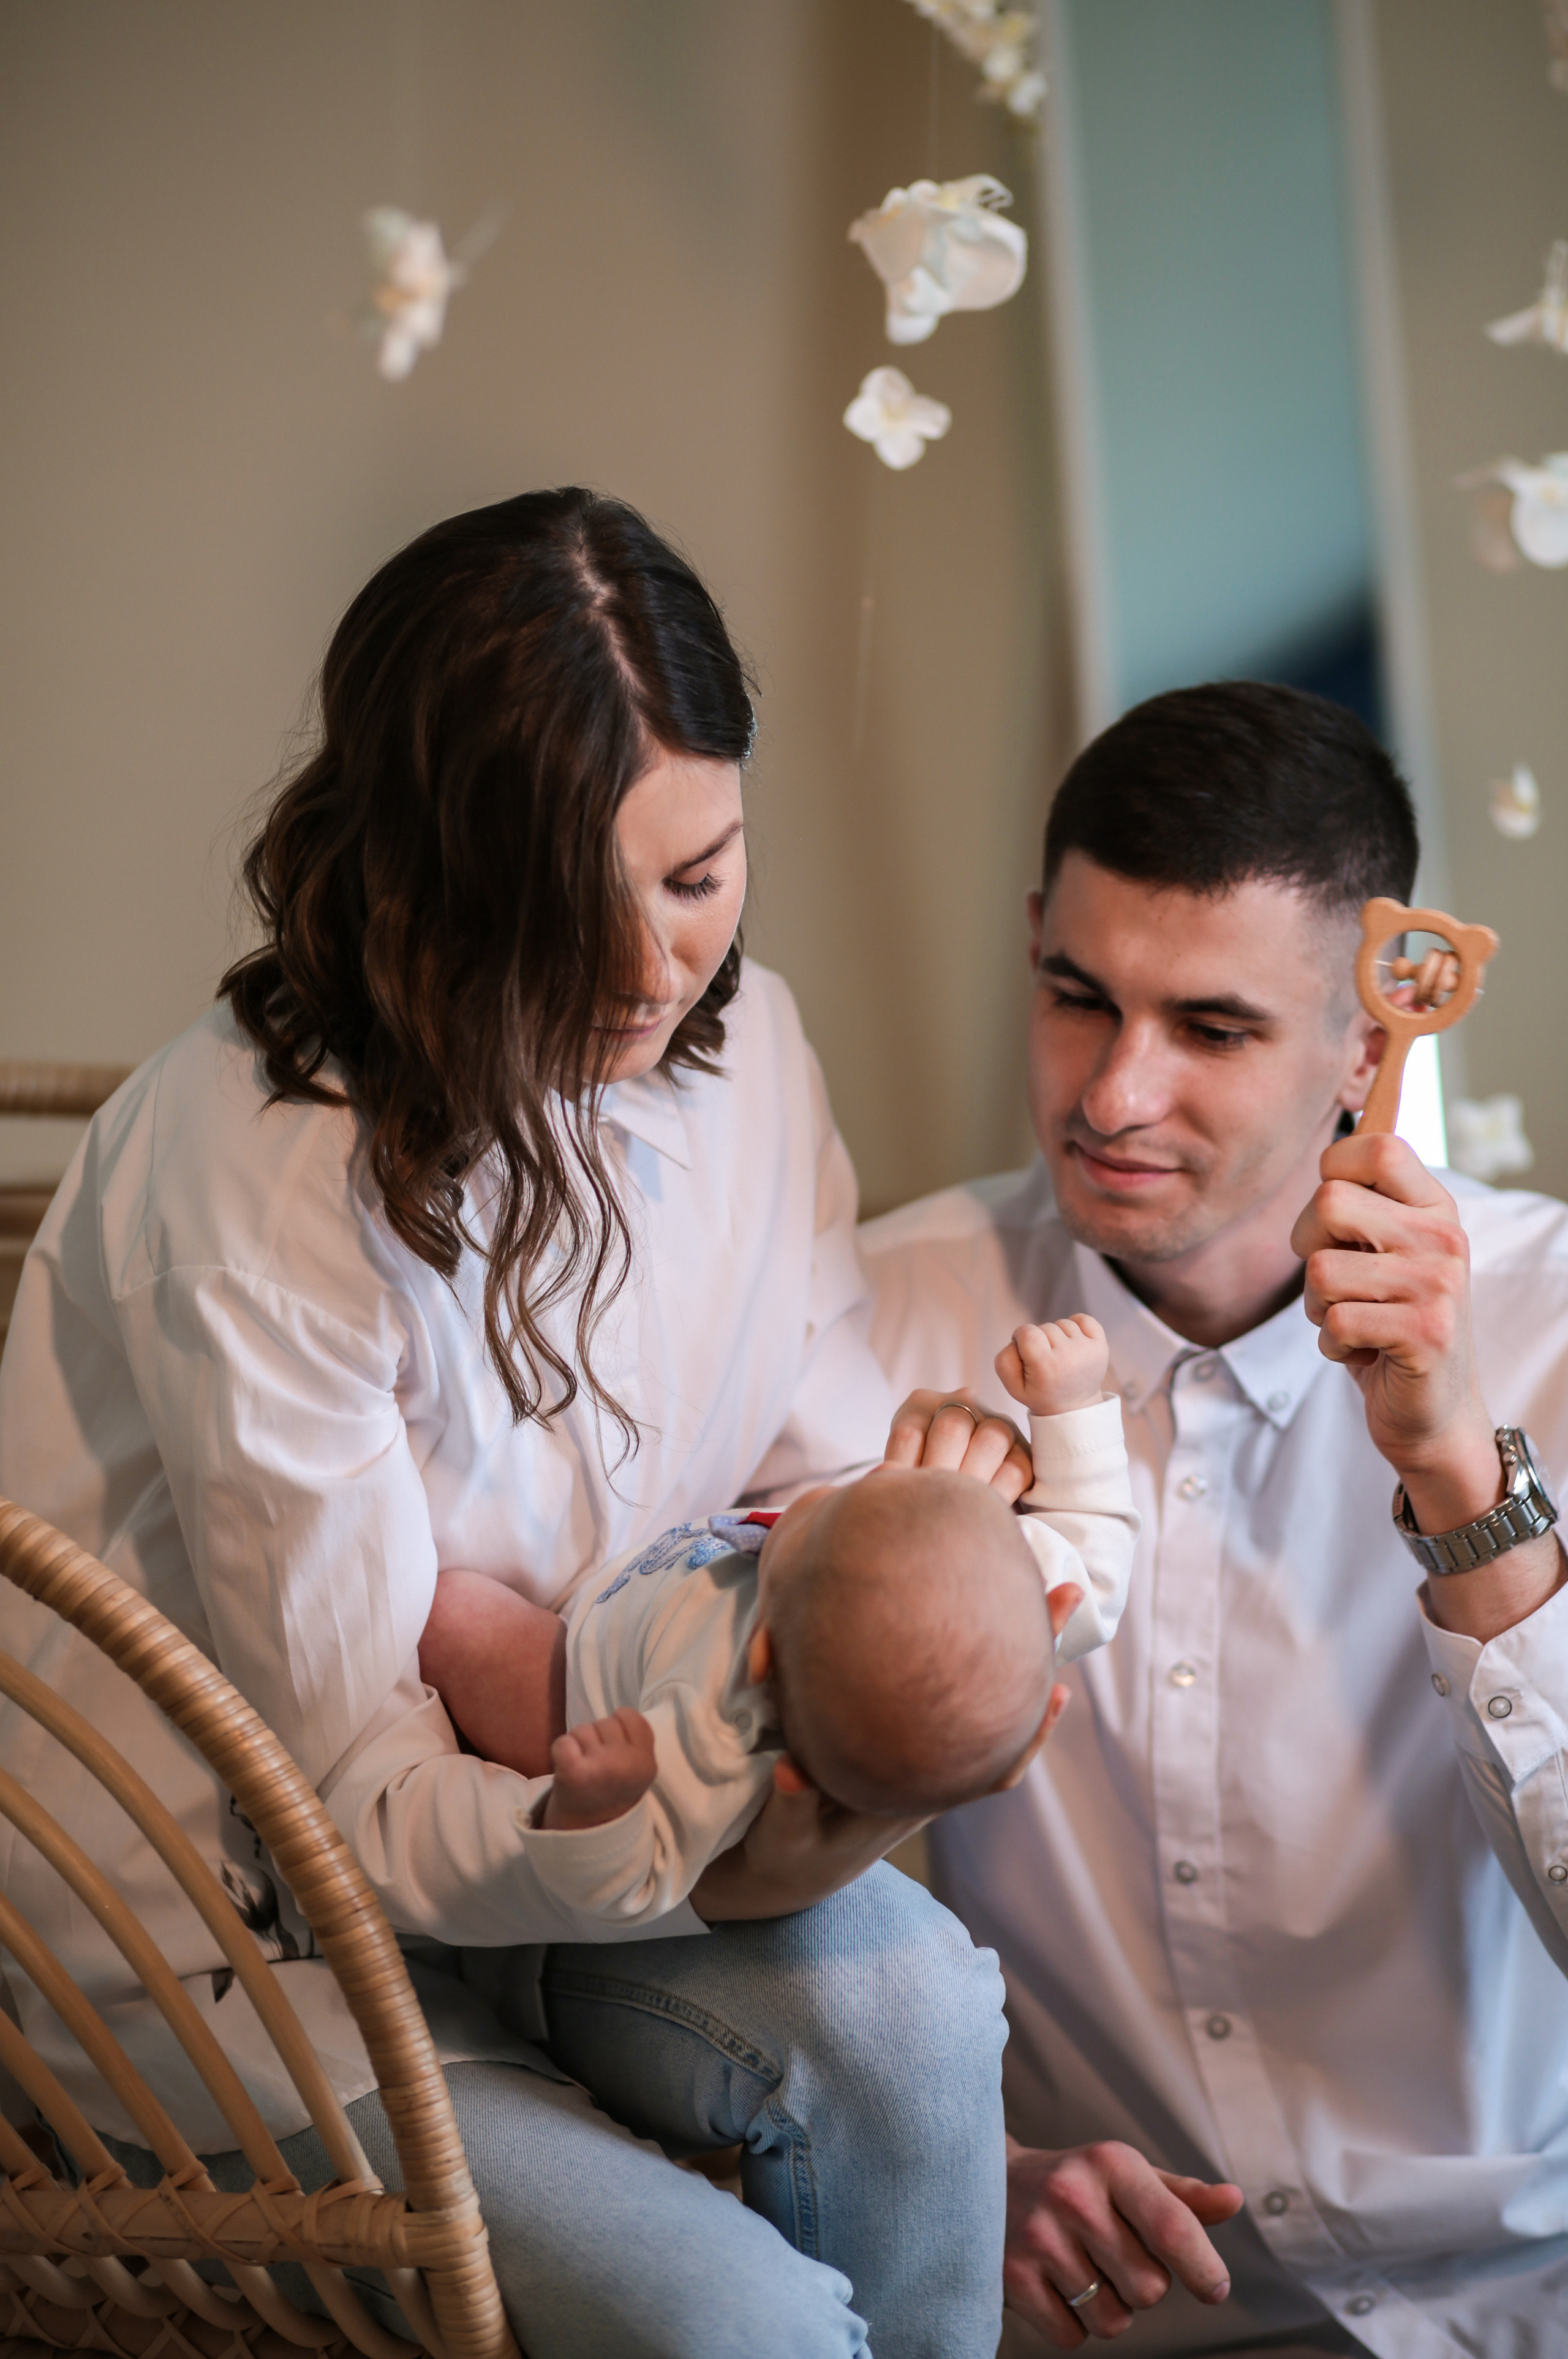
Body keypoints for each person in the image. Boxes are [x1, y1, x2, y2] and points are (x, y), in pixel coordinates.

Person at [0, 489, 1012, 2359]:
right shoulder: (261, 1166)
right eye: (575, 903)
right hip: (251, 1935)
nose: (653, 965)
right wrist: (620, 1803)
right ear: (426, 878)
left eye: (700, 871)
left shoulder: (753, 1050)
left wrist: (898, 1574)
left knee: (920, 2021)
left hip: (595, 1820)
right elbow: (362, 1791)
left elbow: (816, 1467)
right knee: (745, 2327)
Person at [864, 682, 1568, 2359]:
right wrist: (955, 2156)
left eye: (1215, 1029)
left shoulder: (1551, 1318)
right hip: (1110, 2327)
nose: (1115, 1093)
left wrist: (1465, 1480)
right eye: (1076, 997)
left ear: (1373, 1047)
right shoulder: (875, 1320)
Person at [414, 1310, 1138, 1923]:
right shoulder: (1010, 1596)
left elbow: (630, 1888)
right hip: (639, 1587)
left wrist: (597, 1808)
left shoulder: (709, 1734)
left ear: (759, 1655)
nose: (827, 1492)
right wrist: (1070, 1406)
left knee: (450, 1612)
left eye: (824, 1510)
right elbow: (1094, 1544)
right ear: (1055, 1606)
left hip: (576, 1678)